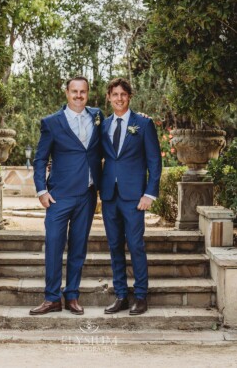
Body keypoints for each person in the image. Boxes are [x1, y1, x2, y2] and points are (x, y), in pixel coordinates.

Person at [30, 76, 103, 315]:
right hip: (59, 196)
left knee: (78, 248)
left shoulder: (97, 116)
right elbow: (40, 158)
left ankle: (72, 296)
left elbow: (120, 121)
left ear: (88, 93)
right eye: (74, 91)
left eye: (83, 91)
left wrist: (141, 117)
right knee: (53, 246)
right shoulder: (51, 122)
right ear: (67, 93)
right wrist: (42, 190)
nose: (79, 96)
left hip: (88, 195)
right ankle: (52, 298)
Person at [101, 78, 162, 315]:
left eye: (123, 94)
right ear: (109, 97)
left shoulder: (143, 125)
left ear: (129, 97)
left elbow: (155, 162)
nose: (119, 98)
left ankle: (141, 296)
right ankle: (121, 295)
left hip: (135, 196)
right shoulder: (103, 125)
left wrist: (149, 193)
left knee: (135, 245)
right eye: (115, 94)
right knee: (115, 245)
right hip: (109, 195)